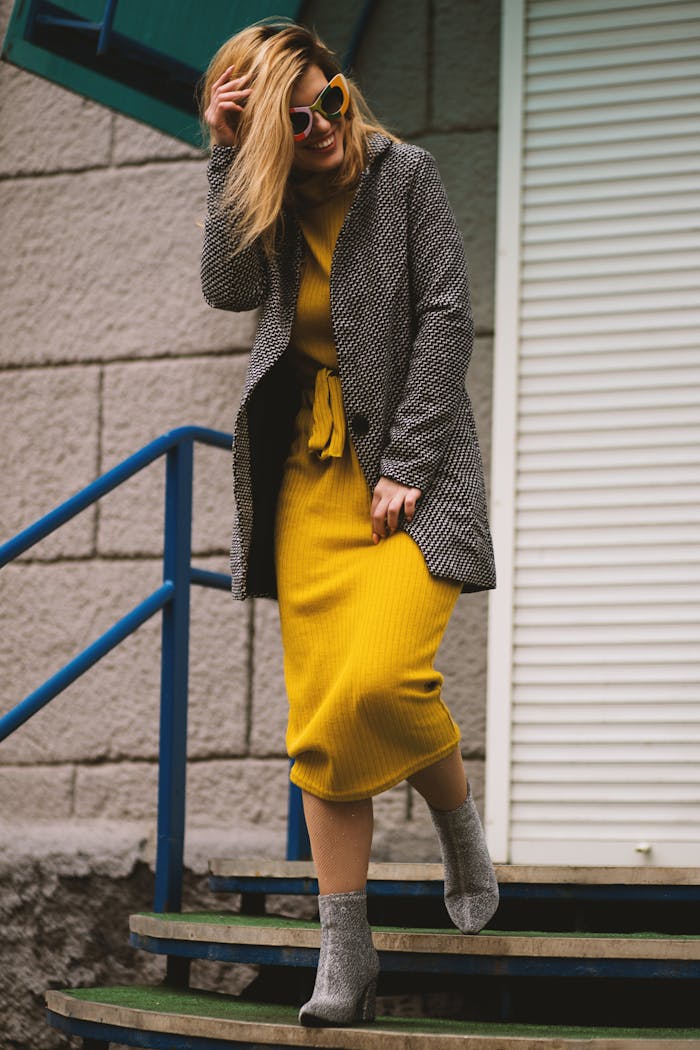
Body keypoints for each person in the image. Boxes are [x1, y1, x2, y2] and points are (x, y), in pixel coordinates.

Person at [200, 19, 499, 1028]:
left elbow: (447, 315)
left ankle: (455, 820)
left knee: (383, 679)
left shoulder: (405, 175)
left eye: (329, 99)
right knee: (323, 721)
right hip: (306, 482)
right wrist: (227, 156)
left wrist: (408, 463)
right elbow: (227, 288)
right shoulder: (271, 200)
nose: (323, 124)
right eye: (294, 119)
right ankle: (346, 950)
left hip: (410, 474)